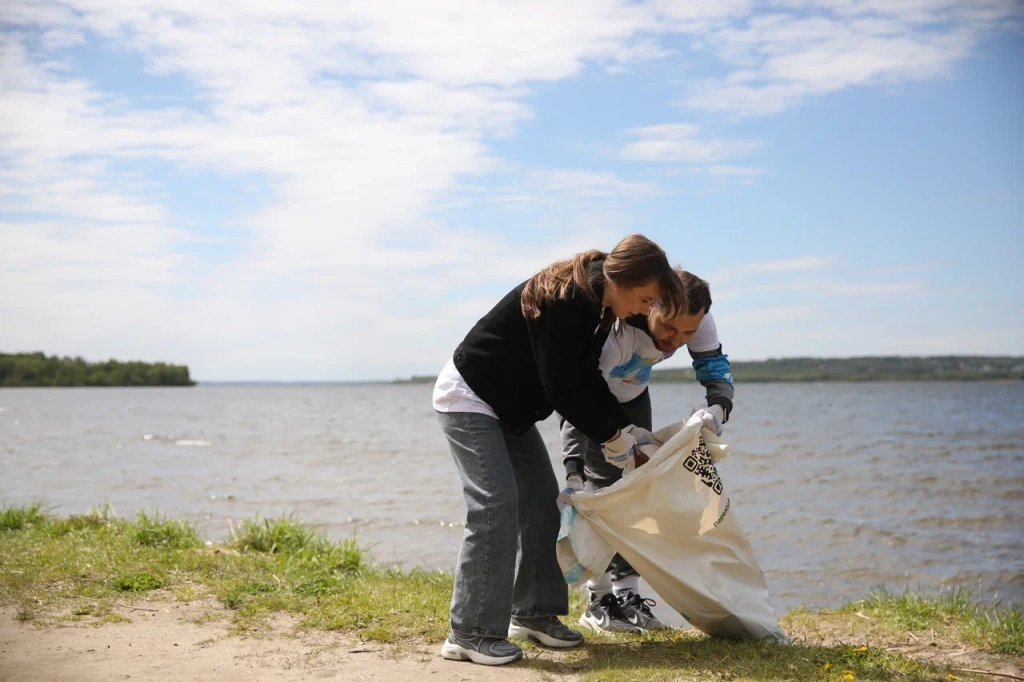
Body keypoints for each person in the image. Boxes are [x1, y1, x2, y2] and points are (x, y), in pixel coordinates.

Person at [432, 235, 686, 666]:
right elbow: (562, 389)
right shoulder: (569, 299)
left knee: (542, 506)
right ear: (622, 280)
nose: (647, 309)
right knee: (496, 505)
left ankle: (532, 612)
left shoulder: (597, 304)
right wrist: (612, 440)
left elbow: (586, 378)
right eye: (645, 298)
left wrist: (627, 430)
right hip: (471, 397)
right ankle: (469, 632)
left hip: (508, 410)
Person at [559, 270, 733, 633]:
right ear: (650, 303)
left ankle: (628, 596)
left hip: (634, 397)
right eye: (669, 329)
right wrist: (572, 470)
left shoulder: (695, 317)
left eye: (687, 334)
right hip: (589, 403)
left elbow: (716, 372)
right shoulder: (617, 330)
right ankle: (598, 599)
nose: (676, 342)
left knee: (642, 491)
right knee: (603, 495)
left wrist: (718, 410)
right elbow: (576, 398)